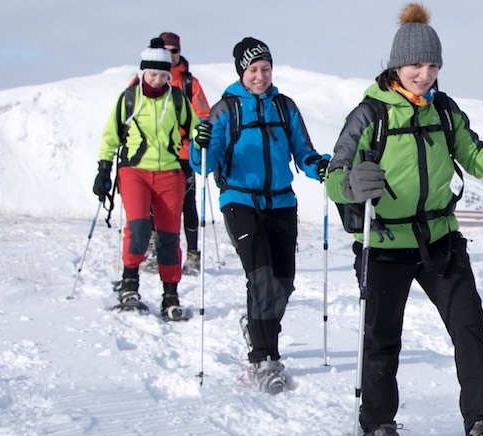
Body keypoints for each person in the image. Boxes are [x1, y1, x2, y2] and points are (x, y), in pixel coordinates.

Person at [322, 2, 483, 436]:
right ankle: (377, 426)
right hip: (383, 244)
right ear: (397, 64)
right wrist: (351, 184)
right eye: (417, 65)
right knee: (382, 339)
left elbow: (477, 158)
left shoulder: (444, 109)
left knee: (470, 330)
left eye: (433, 65)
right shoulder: (369, 114)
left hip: (440, 239)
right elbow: (334, 176)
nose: (425, 74)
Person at [193, 37, 327, 393]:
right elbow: (202, 164)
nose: (260, 76)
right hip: (240, 201)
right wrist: (200, 143)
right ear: (242, 71)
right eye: (253, 69)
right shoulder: (225, 110)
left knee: (284, 281)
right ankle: (264, 357)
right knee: (262, 277)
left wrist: (322, 168)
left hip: (281, 202)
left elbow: (304, 153)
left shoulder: (285, 107)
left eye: (265, 68)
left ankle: (257, 327)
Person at [93, 38, 208, 320]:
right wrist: (103, 169)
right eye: (152, 74)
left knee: (169, 235)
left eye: (162, 74)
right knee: (139, 226)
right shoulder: (129, 98)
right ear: (143, 72)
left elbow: (194, 129)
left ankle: (171, 294)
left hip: (170, 172)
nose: (157, 80)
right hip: (135, 171)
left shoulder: (178, 100)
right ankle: (129, 284)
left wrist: (200, 136)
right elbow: (111, 135)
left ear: (170, 75)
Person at [125, 32, 212, 273]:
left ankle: (193, 254)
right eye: (166, 50)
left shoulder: (188, 82)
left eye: (174, 50)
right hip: (149, 156)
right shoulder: (142, 81)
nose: (170, 54)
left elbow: (203, 116)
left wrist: (193, 134)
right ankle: (154, 250)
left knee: (187, 204)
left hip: (183, 155)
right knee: (153, 205)